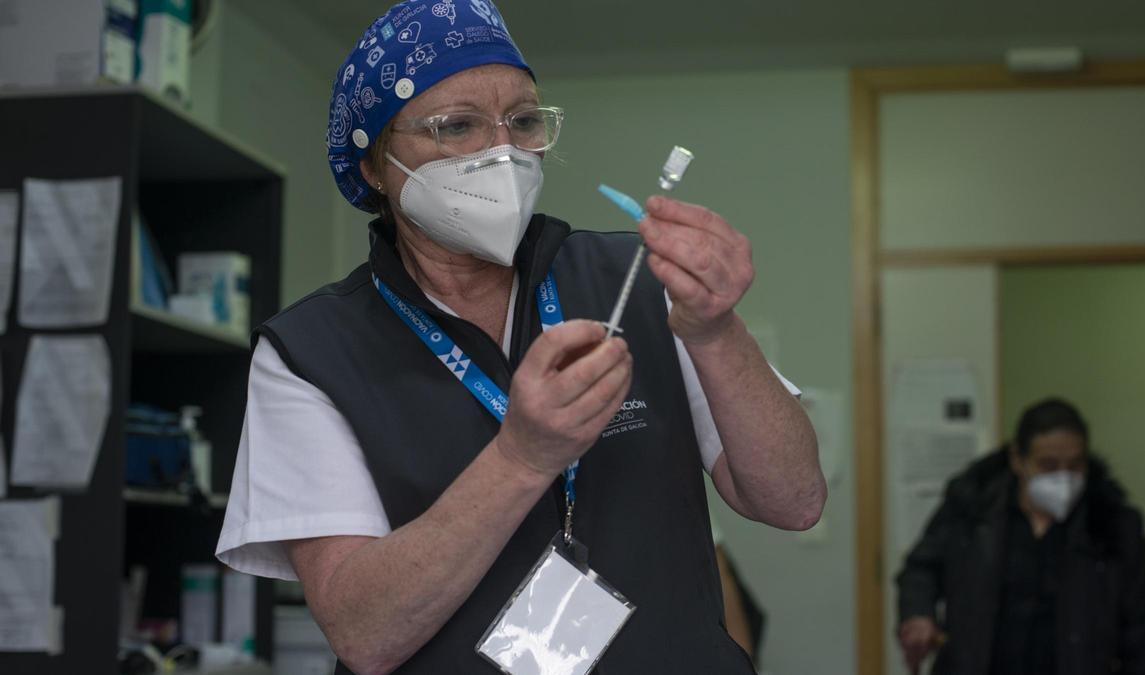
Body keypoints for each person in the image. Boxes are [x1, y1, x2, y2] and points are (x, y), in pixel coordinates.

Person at [214, 2, 825, 674]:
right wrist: (523, 458)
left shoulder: (637, 278)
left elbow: (793, 499)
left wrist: (716, 330)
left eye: (525, 122)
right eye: (457, 126)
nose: (500, 150)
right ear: (375, 167)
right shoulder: (311, 351)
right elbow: (362, 632)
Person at [895, 398, 1145, 675]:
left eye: (1074, 466)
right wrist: (918, 614)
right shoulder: (971, 509)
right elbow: (921, 568)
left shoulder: (1111, 526)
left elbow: (1139, 634)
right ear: (1018, 460)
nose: (1064, 478)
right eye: (1048, 465)